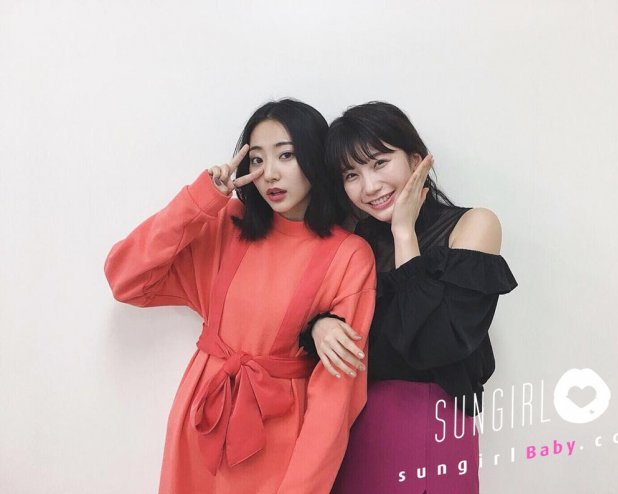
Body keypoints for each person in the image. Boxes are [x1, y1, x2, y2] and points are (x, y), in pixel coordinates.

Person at [104, 99, 376, 494]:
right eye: (257, 160)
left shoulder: (350, 255)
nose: (270, 174)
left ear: (315, 157)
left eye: (286, 155)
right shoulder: (225, 224)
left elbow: (337, 398)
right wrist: (199, 201)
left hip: (280, 440)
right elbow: (126, 279)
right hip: (202, 421)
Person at [299, 102, 518, 493]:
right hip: (353, 426)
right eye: (352, 174)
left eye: (379, 163)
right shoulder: (353, 242)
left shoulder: (473, 225)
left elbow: (435, 345)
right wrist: (320, 327)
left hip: (432, 422)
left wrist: (404, 235)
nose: (369, 186)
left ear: (416, 159)